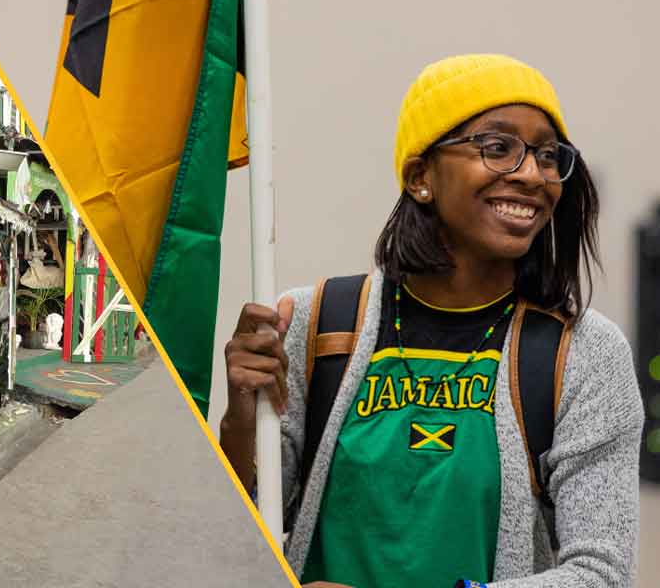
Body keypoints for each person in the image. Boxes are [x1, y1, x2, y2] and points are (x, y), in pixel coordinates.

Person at [220, 54, 645, 587]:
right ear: (421, 176)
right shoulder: (315, 323)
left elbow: (600, 575)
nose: (532, 175)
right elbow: (233, 535)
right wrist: (239, 418)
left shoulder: (583, 352)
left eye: (547, 155)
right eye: (498, 148)